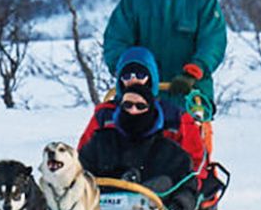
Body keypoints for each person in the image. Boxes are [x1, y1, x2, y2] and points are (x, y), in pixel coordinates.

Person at [101, 0, 228, 210]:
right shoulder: (134, 2)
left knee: (197, 162)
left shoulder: (202, 1)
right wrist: (130, 76)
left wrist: (194, 71)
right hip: (144, 98)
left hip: (189, 96)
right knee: (135, 157)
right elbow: (115, 42)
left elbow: (214, 42)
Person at [77, 81, 199, 210]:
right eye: (127, 105)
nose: (132, 111)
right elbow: (77, 174)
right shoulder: (100, 143)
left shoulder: (171, 153)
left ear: (151, 110)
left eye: (140, 106)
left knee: (163, 182)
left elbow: (187, 188)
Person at [78, 46, 206, 171]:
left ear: (151, 77)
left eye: (140, 75)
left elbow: (195, 163)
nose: (134, 80)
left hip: (160, 185)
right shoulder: (105, 115)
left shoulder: (175, 118)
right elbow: (81, 160)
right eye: (127, 76)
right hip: (109, 181)